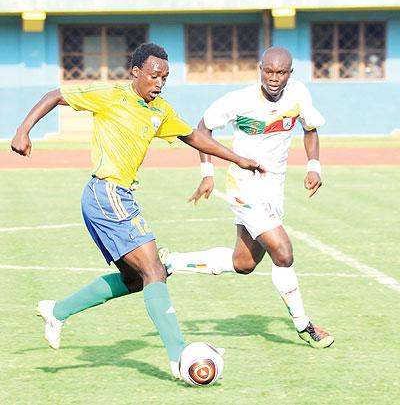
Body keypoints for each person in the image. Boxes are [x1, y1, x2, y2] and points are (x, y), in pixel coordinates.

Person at [10, 43, 266, 378]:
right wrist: (22, 130)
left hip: (118, 196)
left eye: (165, 77)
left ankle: (57, 311)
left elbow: (192, 137)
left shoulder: (159, 110)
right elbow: (56, 94)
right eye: (154, 75)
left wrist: (237, 158)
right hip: (107, 192)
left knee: (135, 279)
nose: (159, 82)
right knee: (155, 272)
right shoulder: (111, 95)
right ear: (136, 72)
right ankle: (178, 357)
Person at [161, 46, 335, 348]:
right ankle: (304, 325)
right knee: (284, 252)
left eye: (281, 72)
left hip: (273, 190)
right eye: (268, 71)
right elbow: (202, 129)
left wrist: (314, 166)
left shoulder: (299, 94)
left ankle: (172, 262)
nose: (274, 78)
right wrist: (207, 173)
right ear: (260, 69)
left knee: (243, 263)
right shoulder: (239, 100)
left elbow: (310, 129)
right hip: (244, 185)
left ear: (290, 73)